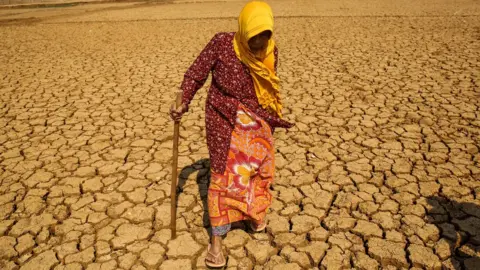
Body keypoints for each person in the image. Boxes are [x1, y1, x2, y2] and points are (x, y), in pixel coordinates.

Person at [170, 1, 293, 267]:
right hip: (223, 119)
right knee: (222, 176)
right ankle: (216, 241)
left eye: (264, 37)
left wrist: (266, 122)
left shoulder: (272, 52)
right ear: (244, 30)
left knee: (258, 172)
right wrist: (183, 102)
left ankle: (253, 214)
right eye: (254, 38)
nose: (259, 44)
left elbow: (267, 89)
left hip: (257, 121)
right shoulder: (222, 44)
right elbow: (195, 75)